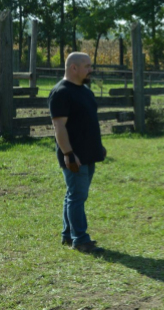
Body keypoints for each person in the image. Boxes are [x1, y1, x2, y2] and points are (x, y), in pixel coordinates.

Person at [48, 52, 107, 254]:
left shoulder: (85, 91)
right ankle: (80, 239)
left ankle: (67, 234)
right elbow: (59, 127)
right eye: (87, 66)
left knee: (74, 195)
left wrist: (98, 147)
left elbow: (87, 122)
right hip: (75, 156)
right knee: (77, 196)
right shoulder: (61, 92)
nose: (91, 70)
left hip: (89, 153)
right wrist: (69, 154)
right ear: (74, 68)